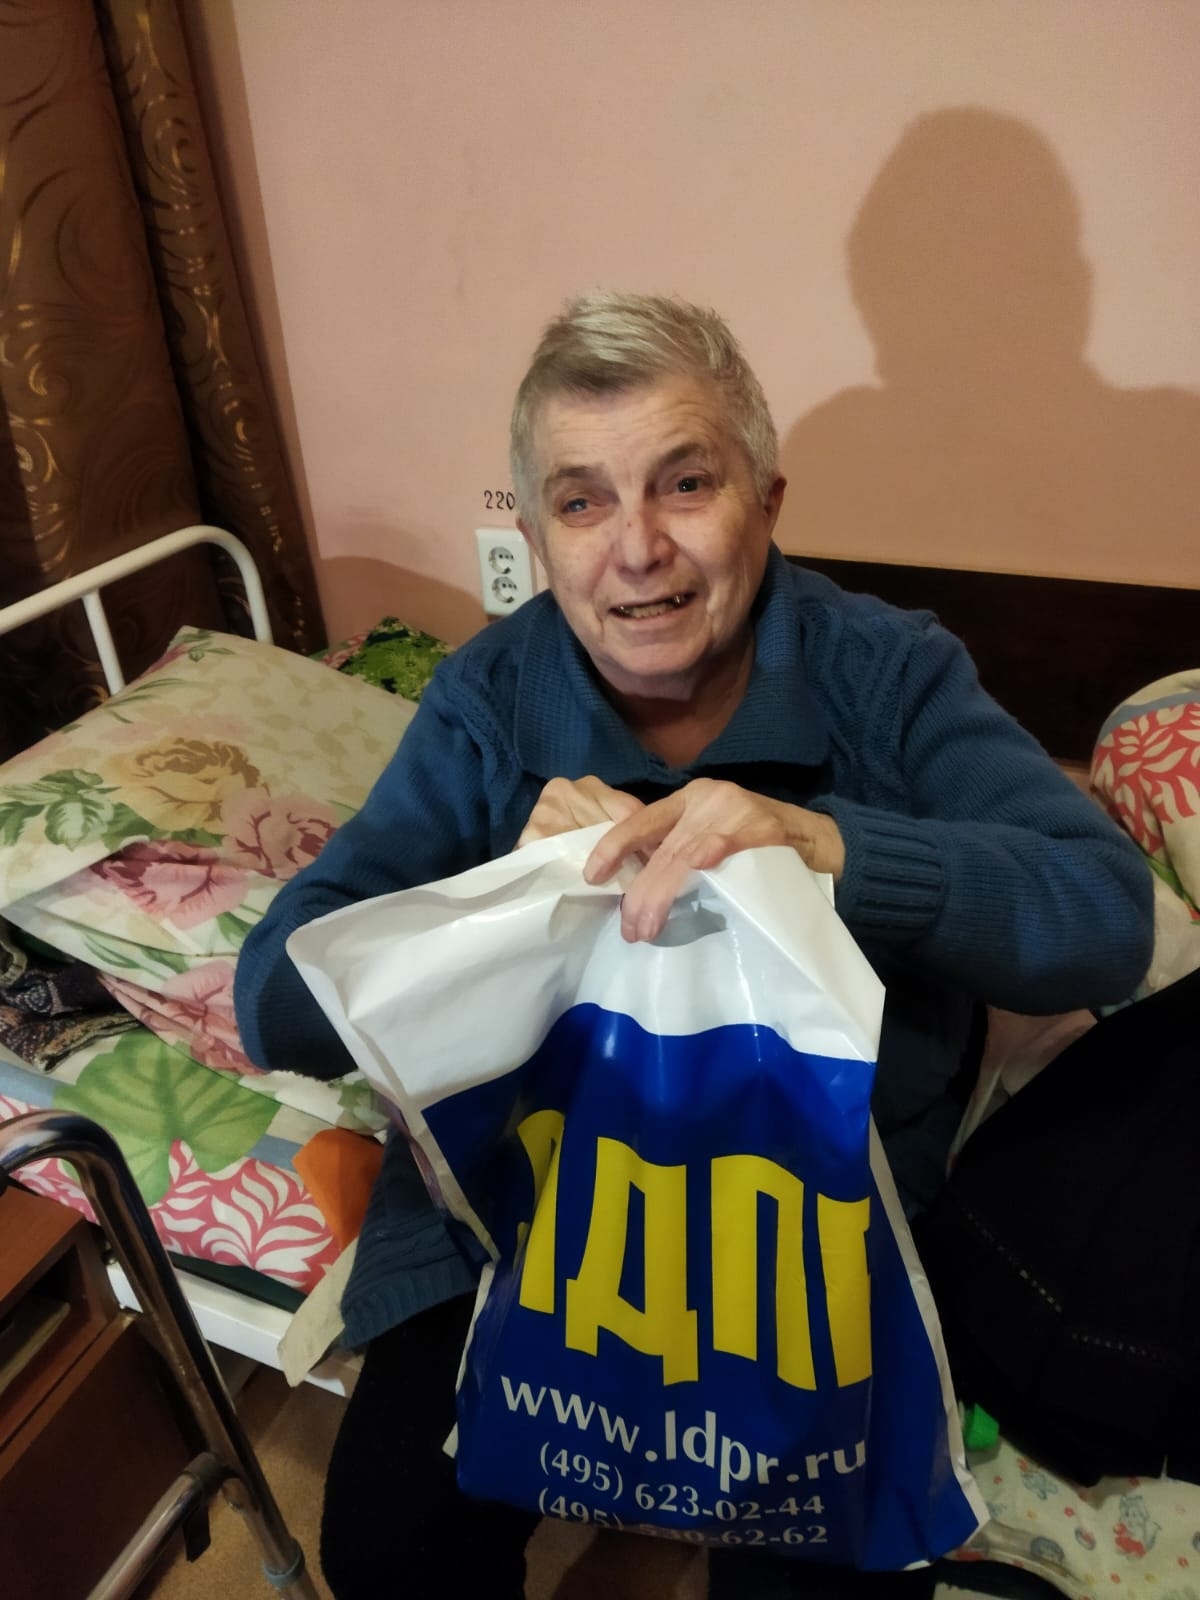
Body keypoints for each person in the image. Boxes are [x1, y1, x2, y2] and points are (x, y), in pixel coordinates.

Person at [234, 291, 1153, 1600]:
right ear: (537, 538)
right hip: (537, 1208)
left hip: (814, 1209)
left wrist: (831, 850)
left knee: (825, 1557)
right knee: (393, 1542)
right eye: (582, 502)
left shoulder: (885, 673)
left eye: (685, 483)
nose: (638, 549)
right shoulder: (489, 701)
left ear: (766, 504)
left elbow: (1107, 920)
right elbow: (275, 998)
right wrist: (493, 898)